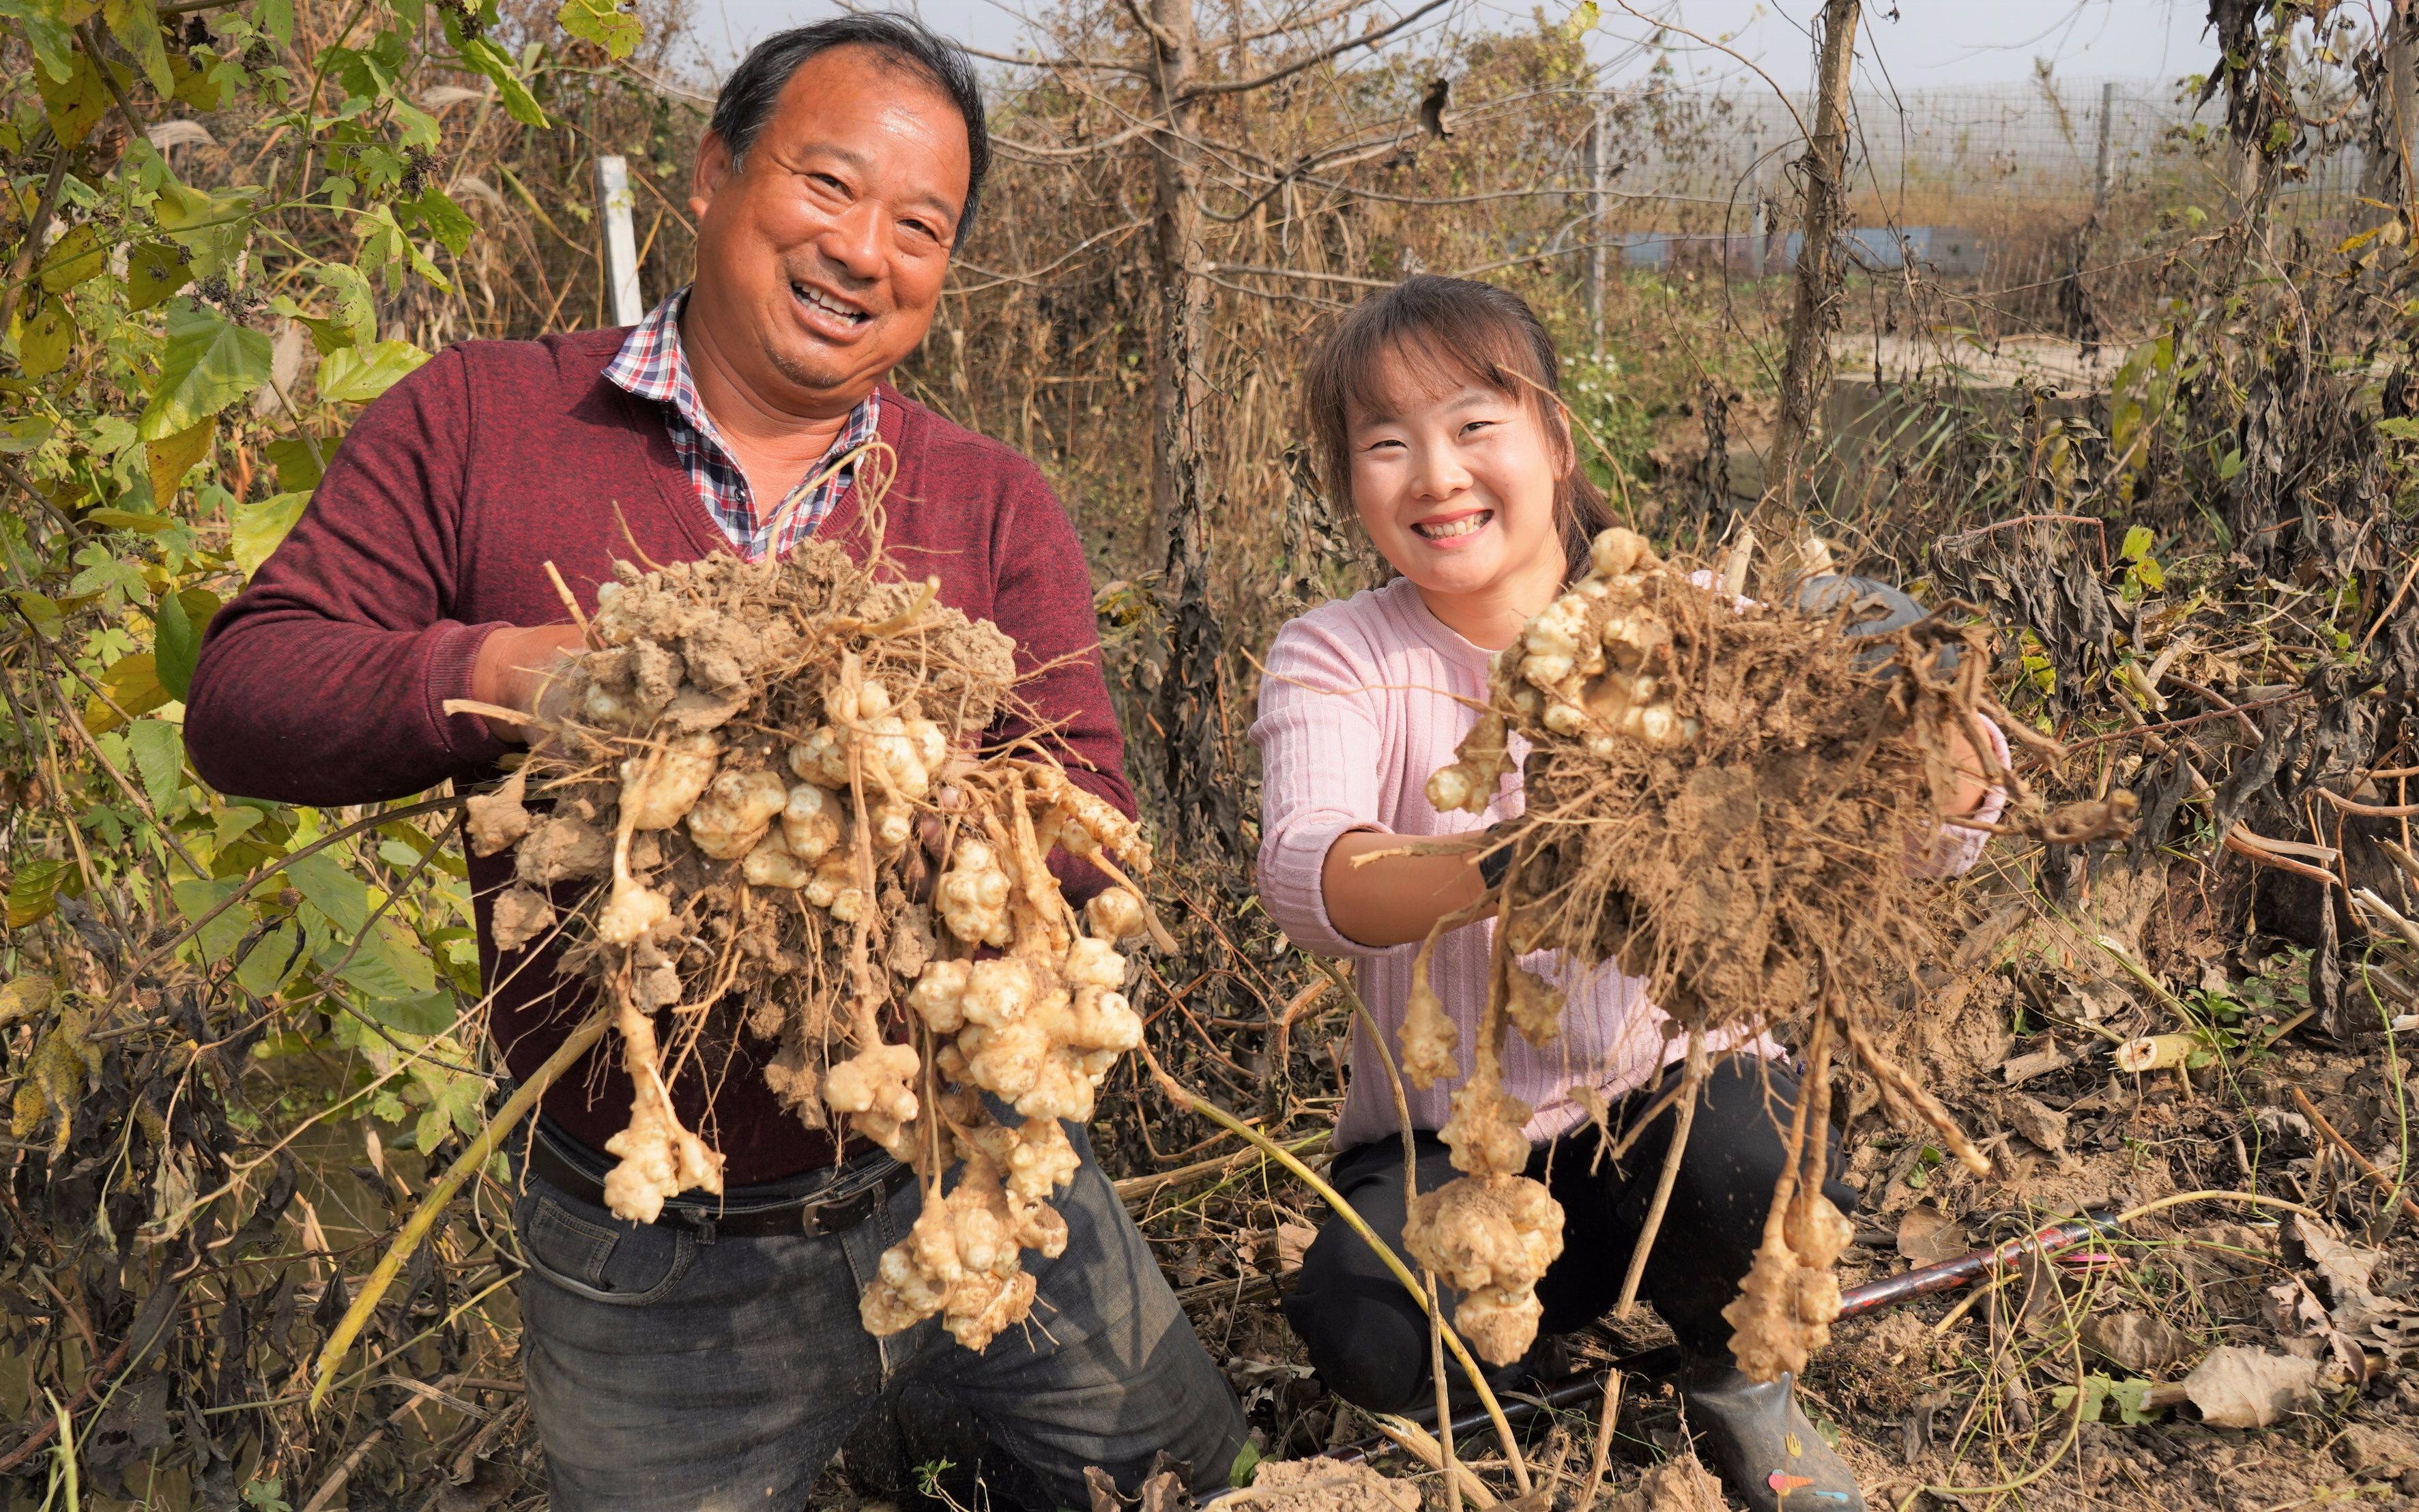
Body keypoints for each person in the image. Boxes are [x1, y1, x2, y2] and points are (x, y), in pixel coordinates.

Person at [184, 16, 1245, 1509]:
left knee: (1185, 1477)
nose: (863, 250)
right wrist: (499, 675)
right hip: (651, 1235)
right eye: (827, 186)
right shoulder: (480, 419)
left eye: (919, 226)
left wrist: (946, 817)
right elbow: (242, 693)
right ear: (710, 175)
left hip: (964, 1170)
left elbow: (1094, 827)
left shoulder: (991, 502)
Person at [1248, 276, 2008, 1512]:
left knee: (1759, 1163)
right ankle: (1531, 1373)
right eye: (1386, 444)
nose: (1436, 475)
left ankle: (1738, 1383)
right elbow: (1311, 873)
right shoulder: (1341, 653)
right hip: (1453, 1143)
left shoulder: (1697, 628)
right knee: (1361, 1314)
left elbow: (1920, 837)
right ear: (1351, 485)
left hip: (1671, 1106)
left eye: (1472, 425)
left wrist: (1929, 712)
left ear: (1551, 439)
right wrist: (1523, 859)